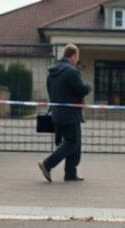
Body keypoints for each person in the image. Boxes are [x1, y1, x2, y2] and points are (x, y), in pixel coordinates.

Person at [38, 43, 91, 182]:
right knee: (72, 142)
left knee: (75, 142)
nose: (77, 60)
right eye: (77, 57)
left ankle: (70, 173)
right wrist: (88, 87)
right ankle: (47, 164)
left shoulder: (52, 72)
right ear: (73, 55)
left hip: (57, 113)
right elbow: (81, 89)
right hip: (70, 114)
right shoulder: (71, 71)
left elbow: (51, 91)